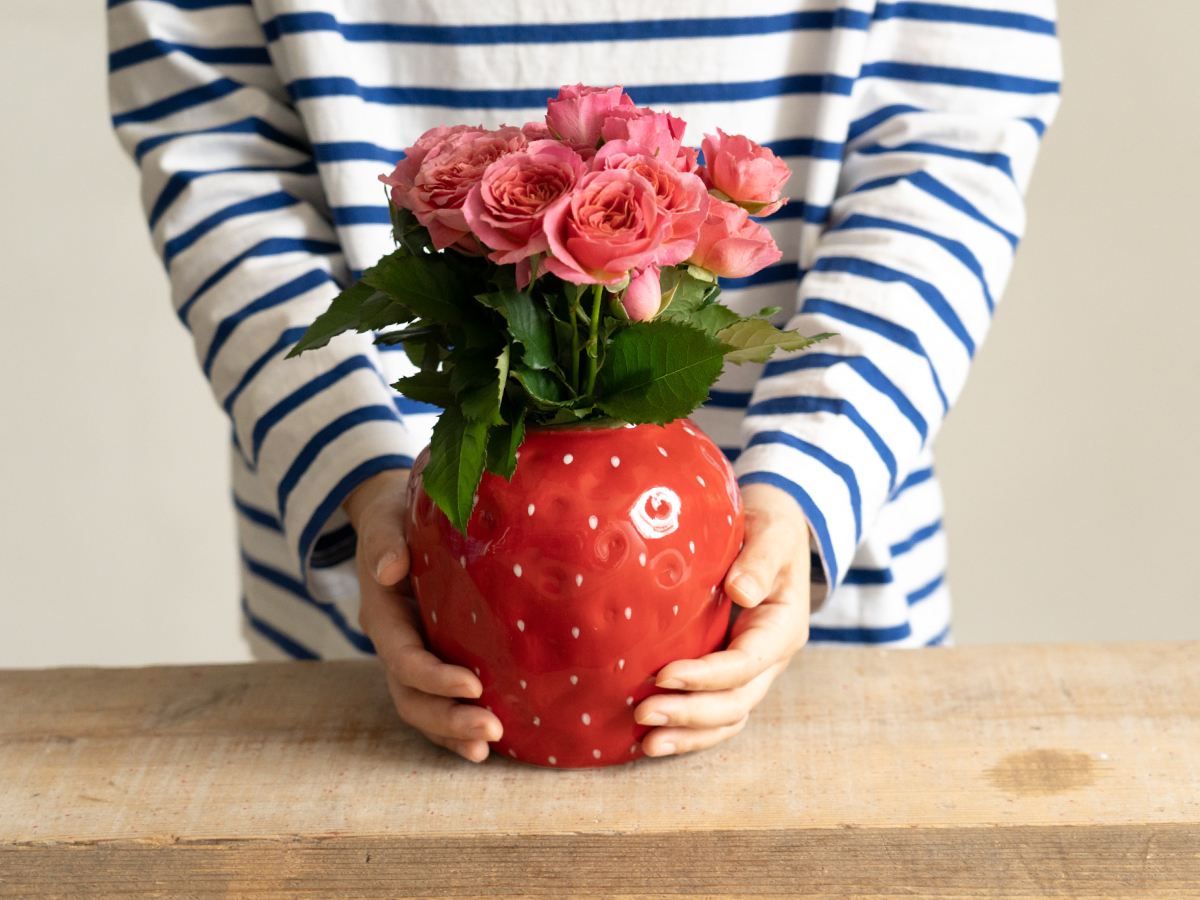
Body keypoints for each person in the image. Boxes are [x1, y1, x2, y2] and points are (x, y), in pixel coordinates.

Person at [108, 1, 1061, 762]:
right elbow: (214, 147)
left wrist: (807, 488)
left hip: (821, 604)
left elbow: (944, 150)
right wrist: (366, 490)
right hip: (368, 629)